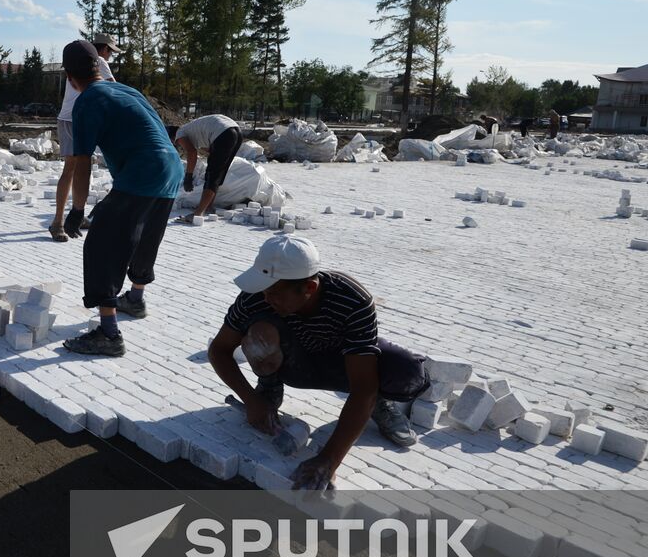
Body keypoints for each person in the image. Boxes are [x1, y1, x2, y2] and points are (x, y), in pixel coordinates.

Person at [205, 235, 427, 490]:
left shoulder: (352, 300)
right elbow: (220, 350)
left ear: (309, 288)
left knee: (407, 372)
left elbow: (363, 387)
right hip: (294, 363)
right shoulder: (257, 296)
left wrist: (328, 459)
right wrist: (251, 400)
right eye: (264, 289)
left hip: (341, 361)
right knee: (261, 330)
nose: (266, 297)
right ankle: (269, 386)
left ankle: (378, 404)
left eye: (275, 292)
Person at [60, 40, 183, 357]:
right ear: (98, 67)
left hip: (142, 170)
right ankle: (136, 299)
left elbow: (83, 162)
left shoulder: (86, 102)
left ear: (69, 77)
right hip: (171, 168)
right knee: (144, 235)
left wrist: (77, 210)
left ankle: (109, 334)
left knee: (101, 244)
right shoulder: (128, 91)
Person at [49, 32, 119, 242]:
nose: (110, 57)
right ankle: (58, 222)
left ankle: (74, 214)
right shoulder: (98, 63)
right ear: (104, 49)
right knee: (74, 168)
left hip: (72, 118)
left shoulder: (79, 62)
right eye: (110, 52)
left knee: (77, 167)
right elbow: (113, 88)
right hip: (75, 120)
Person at [171, 114, 243, 223]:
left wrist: (188, 176)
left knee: (212, 174)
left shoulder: (179, 134)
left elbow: (191, 152)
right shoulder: (192, 130)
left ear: (172, 138)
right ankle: (208, 207)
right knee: (218, 173)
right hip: (236, 132)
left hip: (223, 133)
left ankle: (198, 213)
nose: (179, 145)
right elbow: (209, 148)